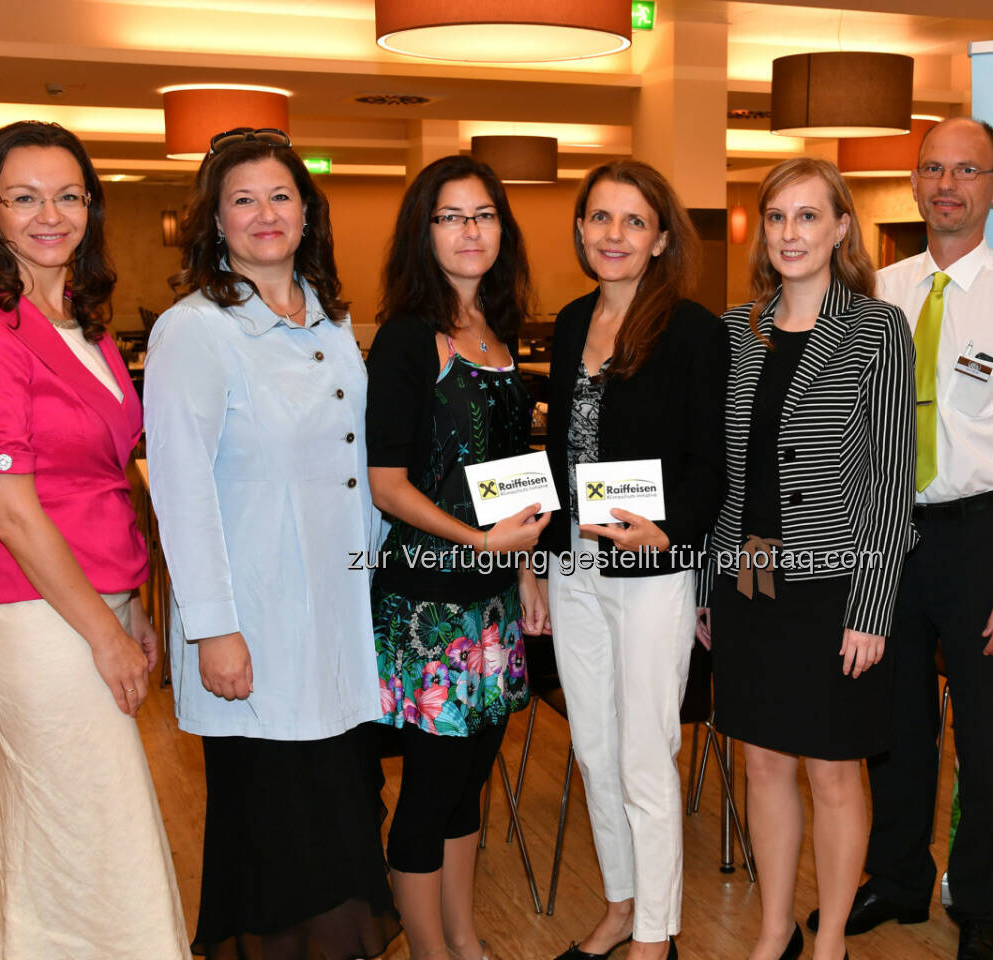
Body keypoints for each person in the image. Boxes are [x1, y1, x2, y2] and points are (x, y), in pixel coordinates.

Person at [821, 117, 993, 960]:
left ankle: (978, 905)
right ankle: (897, 880)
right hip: (886, 543)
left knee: (984, 736)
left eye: (967, 170)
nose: (947, 185)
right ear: (913, 183)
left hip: (981, 543)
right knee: (892, 726)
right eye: (932, 168)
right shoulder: (874, 295)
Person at [0, 120, 190, 959]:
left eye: (69, 195)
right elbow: (12, 511)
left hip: (92, 601)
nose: (51, 215)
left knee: (54, 852)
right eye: (26, 197)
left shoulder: (78, 318)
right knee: (102, 854)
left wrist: (133, 602)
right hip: (42, 624)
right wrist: (105, 629)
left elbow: (105, 477)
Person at [144, 128, 398, 959]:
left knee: (344, 812)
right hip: (255, 622)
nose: (265, 214)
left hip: (338, 614)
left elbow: (356, 468)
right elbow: (180, 490)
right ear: (215, 222)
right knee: (281, 833)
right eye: (242, 200)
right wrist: (214, 627)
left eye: (280, 196)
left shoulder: (332, 321)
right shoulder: (196, 330)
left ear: (306, 212)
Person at [705, 156, 916, 960]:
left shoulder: (876, 329)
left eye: (807, 216)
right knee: (762, 766)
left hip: (833, 589)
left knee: (832, 771)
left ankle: (828, 940)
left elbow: (892, 482)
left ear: (840, 229)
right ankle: (772, 931)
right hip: (745, 585)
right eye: (777, 217)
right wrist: (704, 586)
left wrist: (872, 608)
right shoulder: (734, 329)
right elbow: (721, 473)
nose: (790, 233)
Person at [534, 160, 727, 960]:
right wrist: (540, 563)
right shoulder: (572, 321)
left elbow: (713, 461)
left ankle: (658, 933)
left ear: (659, 240)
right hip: (575, 569)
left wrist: (672, 530)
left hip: (653, 574)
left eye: (633, 221)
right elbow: (556, 450)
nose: (614, 235)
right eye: (601, 218)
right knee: (593, 750)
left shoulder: (692, 330)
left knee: (648, 753)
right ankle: (620, 905)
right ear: (580, 229)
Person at [365, 154, 547, 960]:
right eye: (450, 216)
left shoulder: (499, 335)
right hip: (429, 600)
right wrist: (480, 543)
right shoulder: (409, 338)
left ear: (502, 230)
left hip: (494, 599)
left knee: (473, 773)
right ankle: (433, 951)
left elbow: (511, 477)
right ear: (424, 231)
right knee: (431, 787)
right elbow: (385, 484)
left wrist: (528, 569)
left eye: (483, 215)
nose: (469, 232)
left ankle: (465, 936)